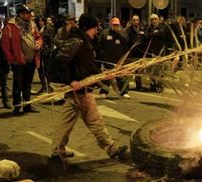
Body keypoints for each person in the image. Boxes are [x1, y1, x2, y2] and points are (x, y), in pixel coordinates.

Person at [50, 13, 129, 161]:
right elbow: (61, 60)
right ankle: (111, 149)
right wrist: (71, 80)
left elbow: (87, 65)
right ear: (86, 28)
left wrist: (104, 74)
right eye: (94, 28)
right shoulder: (76, 42)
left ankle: (57, 150)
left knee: (65, 122)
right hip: (80, 90)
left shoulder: (83, 42)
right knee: (95, 120)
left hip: (78, 89)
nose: (96, 31)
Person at [2, 3, 42, 115]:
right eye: (28, 13)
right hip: (18, 61)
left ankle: (27, 105)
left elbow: (38, 37)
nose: (30, 15)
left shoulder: (32, 25)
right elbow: (6, 46)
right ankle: (17, 106)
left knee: (28, 84)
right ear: (21, 14)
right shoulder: (10, 26)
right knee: (18, 84)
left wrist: (38, 44)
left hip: (31, 59)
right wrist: (12, 60)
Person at [97, 16, 130, 99]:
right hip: (108, 59)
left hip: (120, 60)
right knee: (107, 77)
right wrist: (103, 57)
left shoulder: (123, 32)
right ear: (110, 24)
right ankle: (104, 91)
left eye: (117, 24)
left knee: (122, 76)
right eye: (114, 24)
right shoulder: (105, 33)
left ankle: (124, 92)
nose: (115, 26)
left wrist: (118, 33)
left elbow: (127, 42)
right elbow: (99, 46)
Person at [125, 14, 146, 90]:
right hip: (131, 54)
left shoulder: (142, 30)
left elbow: (145, 41)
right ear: (131, 21)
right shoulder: (127, 31)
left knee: (139, 70)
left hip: (140, 54)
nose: (136, 21)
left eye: (137, 20)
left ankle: (139, 85)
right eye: (134, 20)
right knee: (129, 71)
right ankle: (125, 86)